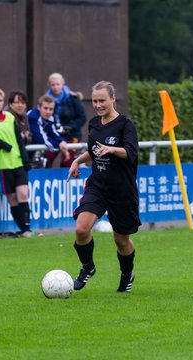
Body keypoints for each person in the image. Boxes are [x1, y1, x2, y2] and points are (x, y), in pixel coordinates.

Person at [67, 81, 141, 292]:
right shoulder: (94, 123)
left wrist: (112, 149)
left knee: (121, 239)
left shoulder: (126, 125)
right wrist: (77, 161)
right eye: (95, 101)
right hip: (98, 185)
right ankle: (87, 267)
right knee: (81, 228)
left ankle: (127, 275)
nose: (98, 105)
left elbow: (130, 152)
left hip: (122, 189)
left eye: (102, 100)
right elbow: (93, 150)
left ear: (112, 100)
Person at [0, 87, 38, 237]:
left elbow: (19, 141)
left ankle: (26, 229)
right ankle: (22, 230)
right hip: (0, 164)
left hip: (17, 161)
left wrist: (25, 158)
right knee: (12, 198)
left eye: (0, 100)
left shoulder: (10, 117)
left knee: (23, 195)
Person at [46, 72, 87, 167]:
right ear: (49, 85)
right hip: (54, 135)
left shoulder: (73, 98)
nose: (55, 87)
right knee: (47, 159)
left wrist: (69, 127)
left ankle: (66, 180)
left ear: (62, 84)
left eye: (58, 84)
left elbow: (82, 117)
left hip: (72, 135)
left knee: (67, 162)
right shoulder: (47, 99)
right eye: (53, 85)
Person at [27, 94, 70, 167]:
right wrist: (59, 145)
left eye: (51, 109)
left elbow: (54, 133)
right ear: (39, 107)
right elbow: (41, 139)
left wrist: (62, 141)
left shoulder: (50, 117)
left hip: (33, 152)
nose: (48, 112)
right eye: (45, 108)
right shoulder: (33, 117)